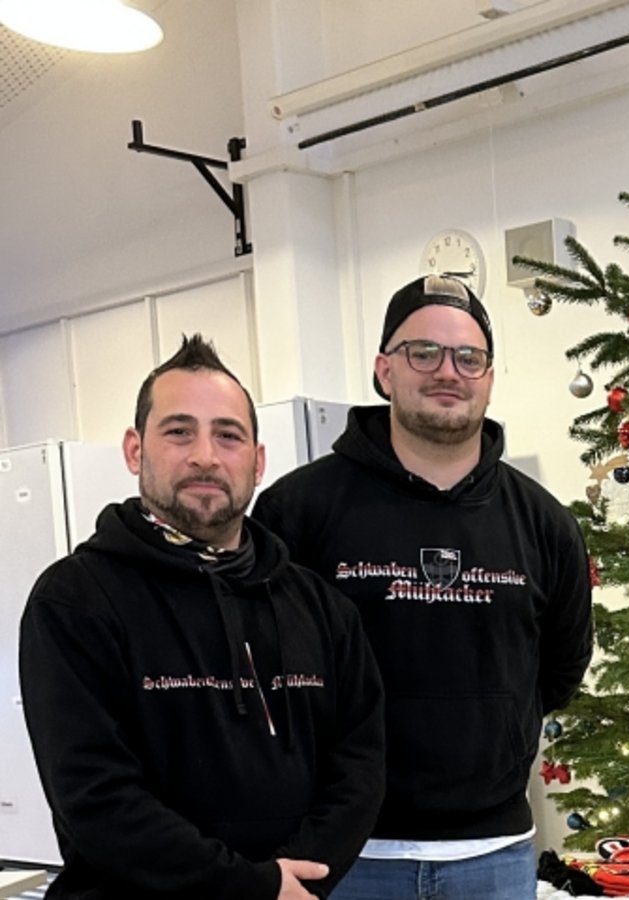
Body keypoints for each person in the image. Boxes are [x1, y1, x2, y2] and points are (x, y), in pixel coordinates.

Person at [253, 275, 595, 900]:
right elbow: (262, 669)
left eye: (469, 357)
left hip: (493, 857)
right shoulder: (297, 511)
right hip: (343, 856)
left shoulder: (545, 524)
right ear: (384, 369)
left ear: (489, 377)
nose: (448, 371)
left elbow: (560, 669)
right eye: (423, 352)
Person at [19, 335, 385, 900]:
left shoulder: (318, 606)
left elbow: (359, 767)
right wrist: (253, 886)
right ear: (135, 450)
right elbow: (96, 798)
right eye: (179, 431)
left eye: (228, 435)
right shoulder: (74, 600)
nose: (205, 456)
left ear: (258, 462)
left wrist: (296, 877)